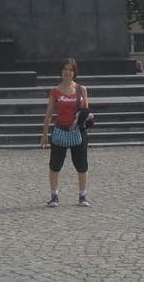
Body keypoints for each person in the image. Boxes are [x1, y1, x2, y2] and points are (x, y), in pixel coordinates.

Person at [40, 58, 94, 207]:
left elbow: (86, 110)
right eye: (65, 69)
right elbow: (49, 115)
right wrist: (44, 134)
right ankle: (54, 195)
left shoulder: (81, 90)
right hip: (60, 131)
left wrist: (88, 116)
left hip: (77, 131)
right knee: (55, 164)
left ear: (74, 72)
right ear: (61, 71)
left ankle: (82, 195)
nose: (68, 72)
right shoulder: (55, 91)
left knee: (82, 164)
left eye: (70, 69)